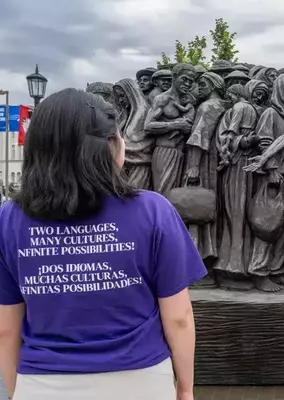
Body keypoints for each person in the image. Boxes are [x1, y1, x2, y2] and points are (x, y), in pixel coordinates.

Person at [0, 89, 206, 400]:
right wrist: (186, 388)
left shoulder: (9, 219)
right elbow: (178, 318)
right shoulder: (153, 211)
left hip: (44, 381)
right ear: (112, 146)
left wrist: (17, 390)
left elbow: (6, 327)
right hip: (140, 380)